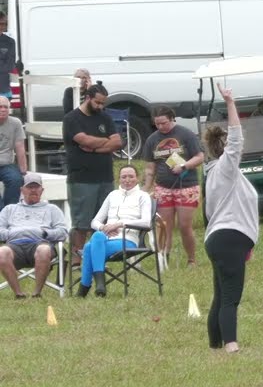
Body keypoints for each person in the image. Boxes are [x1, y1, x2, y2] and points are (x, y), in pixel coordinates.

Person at [202, 80, 260, 353]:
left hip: (221, 238)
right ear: (224, 151)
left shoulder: (213, 173)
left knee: (220, 294)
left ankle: (214, 345)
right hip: (228, 238)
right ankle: (231, 345)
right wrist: (230, 103)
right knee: (231, 297)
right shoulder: (224, 167)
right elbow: (236, 137)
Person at [62, 83, 122, 265]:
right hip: (82, 178)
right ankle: (75, 261)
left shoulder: (104, 117)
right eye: (97, 103)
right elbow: (83, 139)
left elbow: (118, 142)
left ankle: (97, 259)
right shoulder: (72, 119)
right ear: (88, 98)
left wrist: (95, 148)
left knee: (102, 222)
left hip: (105, 177)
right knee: (82, 223)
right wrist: (106, 142)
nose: (100, 107)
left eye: (103, 103)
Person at [141, 106, 204, 267]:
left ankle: (191, 259)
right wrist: (146, 188)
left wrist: (185, 166)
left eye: (164, 123)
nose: (161, 127)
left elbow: (200, 157)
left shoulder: (186, 134)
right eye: (157, 124)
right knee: (165, 226)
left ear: (172, 119)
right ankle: (164, 257)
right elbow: (150, 167)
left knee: (184, 225)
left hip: (186, 186)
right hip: (163, 187)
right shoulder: (152, 140)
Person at [79, 165, 152, 297]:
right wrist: (103, 227)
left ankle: (85, 288)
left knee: (89, 247)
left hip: (127, 240)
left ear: (137, 178)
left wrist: (120, 224)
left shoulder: (143, 196)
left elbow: (146, 222)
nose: (127, 180)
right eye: (124, 177)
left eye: (131, 176)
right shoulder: (112, 195)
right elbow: (94, 222)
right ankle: (99, 286)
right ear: (119, 179)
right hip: (105, 238)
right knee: (97, 237)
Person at [0, 173, 68, 298]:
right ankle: (18, 294)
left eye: (36, 187)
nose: (33, 190)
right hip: (14, 245)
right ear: (22, 190)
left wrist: (45, 233)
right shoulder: (10, 209)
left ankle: (37, 293)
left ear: (42, 190)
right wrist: (12, 234)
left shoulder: (52, 209)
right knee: (2, 252)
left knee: (44, 249)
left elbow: (63, 232)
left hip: (40, 243)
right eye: (29, 187)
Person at [0, 96, 27, 208]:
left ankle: (10, 210)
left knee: (16, 180)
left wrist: (24, 171)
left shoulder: (15, 123)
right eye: (0, 107)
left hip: (7, 165)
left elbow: (20, 147)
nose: (3, 109)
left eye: (5, 107)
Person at [0, 12, 14, 98]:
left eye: (5, 24)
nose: (3, 26)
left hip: (3, 90)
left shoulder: (10, 42)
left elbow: (10, 65)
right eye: (1, 23)